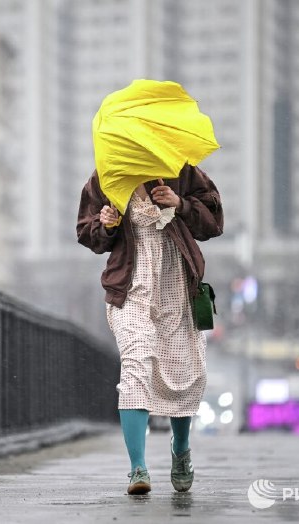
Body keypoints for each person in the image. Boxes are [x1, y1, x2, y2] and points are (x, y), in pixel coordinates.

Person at [76, 163, 223, 494]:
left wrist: (180, 203)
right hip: (130, 289)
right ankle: (137, 469)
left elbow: (213, 220)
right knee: (135, 365)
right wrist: (106, 224)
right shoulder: (105, 178)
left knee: (182, 371)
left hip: (176, 284)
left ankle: (180, 450)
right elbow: (88, 233)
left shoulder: (181, 170)